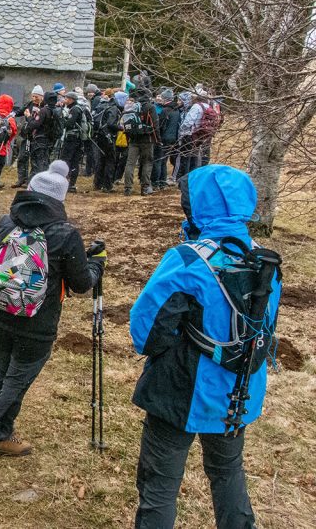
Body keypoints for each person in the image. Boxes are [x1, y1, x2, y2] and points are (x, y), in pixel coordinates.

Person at [129, 165, 280, 528]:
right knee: (228, 473)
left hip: (179, 393)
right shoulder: (266, 261)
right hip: (239, 393)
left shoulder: (187, 260)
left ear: (197, 205)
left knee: (160, 485)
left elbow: (145, 332)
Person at [0, 161, 105, 456]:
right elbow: (81, 283)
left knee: (2, 368)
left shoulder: (7, 222)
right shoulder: (64, 233)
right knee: (19, 375)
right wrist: (97, 264)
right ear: (60, 198)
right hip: (37, 321)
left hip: (2, 307)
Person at [122, 88, 157, 196]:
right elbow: (155, 125)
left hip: (133, 139)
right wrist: (157, 139)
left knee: (130, 163)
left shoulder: (131, 106)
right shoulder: (150, 107)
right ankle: (145, 187)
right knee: (147, 162)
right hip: (147, 139)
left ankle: (127, 188)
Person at [92, 88, 121, 193]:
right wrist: (121, 128)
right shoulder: (113, 108)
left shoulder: (101, 105)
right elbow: (111, 124)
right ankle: (108, 185)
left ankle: (97, 184)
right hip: (108, 136)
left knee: (101, 160)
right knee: (110, 160)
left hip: (99, 135)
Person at [58, 91, 88, 193]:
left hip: (72, 139)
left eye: (66, 99)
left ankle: (68, 183)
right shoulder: (77, 108)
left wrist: (62, 119)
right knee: (74, 161)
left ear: (71, 100)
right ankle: (71, 184)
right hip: (77, 139)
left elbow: (69, 124)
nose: (65, 100)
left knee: (67, 159)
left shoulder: (74, 110)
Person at [153, 88, 180, 188]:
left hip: (163, 138)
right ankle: (162, 182)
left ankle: (156, 182)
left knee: (158, 160)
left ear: (165, 99)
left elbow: (161, 125)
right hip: (172, 139)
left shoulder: (165, 110)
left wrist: (157, 137)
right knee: (164, 161)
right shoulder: (176, 110)